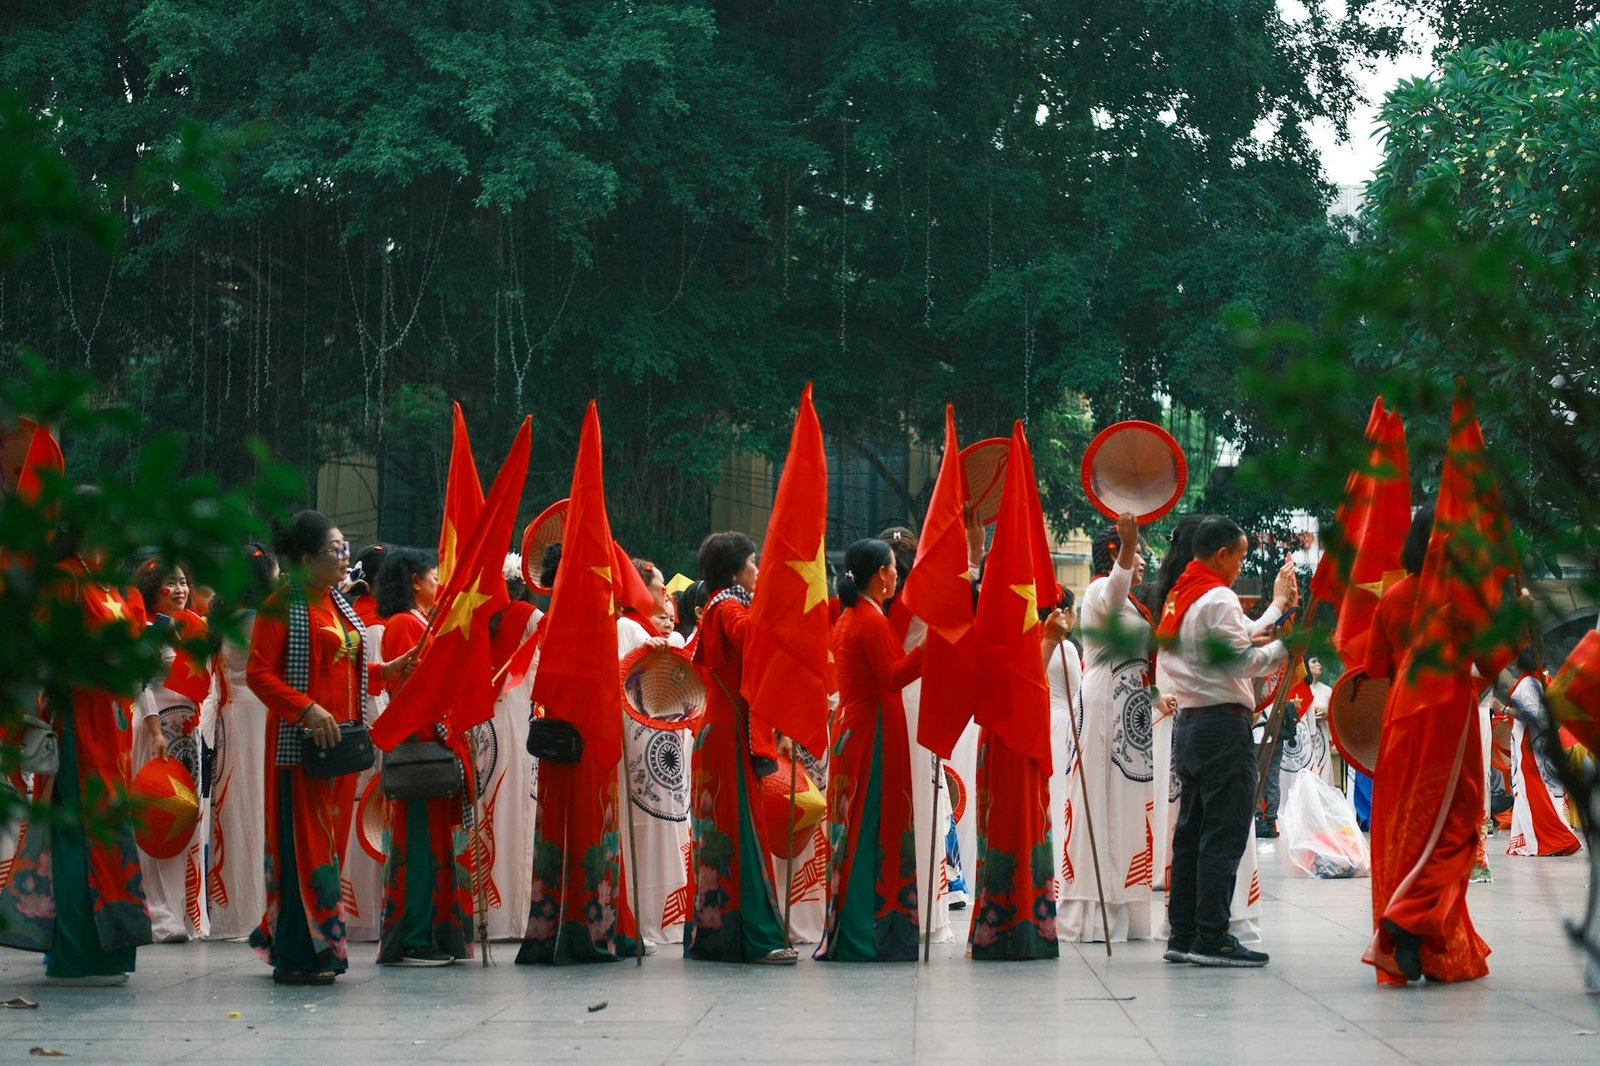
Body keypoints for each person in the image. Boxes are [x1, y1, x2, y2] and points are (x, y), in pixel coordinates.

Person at [246, 510, 416, 985]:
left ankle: (321, 947)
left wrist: (389, 670)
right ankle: (302, 951)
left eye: (345, 548)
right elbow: (259, 674)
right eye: (334, 551)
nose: (345, 558)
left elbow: (351, 673)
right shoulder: (280, 607)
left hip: (341, 748)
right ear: (304, 559)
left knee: (330, 847)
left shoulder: (337, 605)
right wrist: (305, 709)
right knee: (306, 847)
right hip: (301, 747)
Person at [0, 522, 154, 984]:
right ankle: (75, 954)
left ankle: (107, 953)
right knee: (76, 835)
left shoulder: (112, 584)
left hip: (112, 726)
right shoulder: (62, 579)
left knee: (107, 834)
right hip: (75, 722)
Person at [1363, 504, 1499, 983]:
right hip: (1446, 713)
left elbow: (1375, 667)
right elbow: (1492, 660)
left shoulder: (1394, 595)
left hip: (1401, 715)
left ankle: (1414, 937)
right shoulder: (1461, 600)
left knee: (1408, 827)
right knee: (1458, 823)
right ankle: (1406, 921)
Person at [1157, 515, 1295, 968]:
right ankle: (1212, 935)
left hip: (1193, 725)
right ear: (1221, 554)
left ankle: (1184, 932)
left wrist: (1275, 611)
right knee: (1223, 832)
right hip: (1221, 726)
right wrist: (1285, 649)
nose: (1240, 567)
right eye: (1238, 557)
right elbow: (1241, 660)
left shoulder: (1184, 595)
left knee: (1192, 832)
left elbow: (1235, 636)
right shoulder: (1216, 596)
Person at [683, 532, 795, 964]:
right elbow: (753, 638)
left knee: (723, 836)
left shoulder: (717, 604)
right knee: (741, 834)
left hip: (721, 732)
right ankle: (753, 937)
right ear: (734, 571)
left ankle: (719, 933)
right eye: (753, 564)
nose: (757, 571)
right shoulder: (729, 605)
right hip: (727, 737)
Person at [816, 538, 925, 961]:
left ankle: (853, 929)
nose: (898, 574)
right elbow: (894, 675)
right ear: (881, 574)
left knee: (853, 828)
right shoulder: (870, 620)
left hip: (853, 729)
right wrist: (930, 650)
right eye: (895, 567)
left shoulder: (849, 616)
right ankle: (870, 931)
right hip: (874, 734)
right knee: (871, 826)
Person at [1060, 512, 1155, 943]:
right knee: (1099, 800)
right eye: (1138, 555)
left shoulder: (1134, 603)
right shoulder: (1101, 589)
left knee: (1126, 805)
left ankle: (1124, 908)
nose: (1143, 564)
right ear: (1117, 552)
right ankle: (1092, 912)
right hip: (1102, 708)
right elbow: (1117, 591)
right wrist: (1129, 546)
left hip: (1129, 711)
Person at [374, 547, 470, 966]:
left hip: (430, 741)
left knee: (430, 844)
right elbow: (413, 692)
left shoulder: (419, 622)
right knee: (416, 845)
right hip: (418, 747)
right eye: (433, 577)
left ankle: (432, 931)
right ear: (415, 581)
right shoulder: (402, 625)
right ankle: (413, 937)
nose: (438, 584)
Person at [201, 542, 279, 940]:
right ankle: (255, 908)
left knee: (233, 809)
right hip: (260, 713)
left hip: (232, 717)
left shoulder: (225, 617)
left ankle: (233, 907)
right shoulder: (260, 618)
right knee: (258, 808)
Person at [131, 559, 209, 942]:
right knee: (155, 818)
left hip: (188, 733)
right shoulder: (145, 631)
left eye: (183, 582)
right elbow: (139, 682)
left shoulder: (193, 630)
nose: (179, 589)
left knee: (186, 818)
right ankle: (157, 916)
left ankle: (186, 914)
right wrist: (153, 729)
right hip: (155, 730)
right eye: (169, 583)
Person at [618, 556, 690, 948]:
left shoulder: (658, 632)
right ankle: (649, 917)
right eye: (657, 584)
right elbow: (618, 679)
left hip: (665, 745)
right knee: (646, 830)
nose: (664, 593)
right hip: (641, 745)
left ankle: (673, 916)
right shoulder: (626, 626)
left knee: (671, 824)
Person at [1148, 515, 1203, 891]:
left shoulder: (1155, 591)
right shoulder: (1199, 593)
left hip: (1162, 685)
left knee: (1165, 777)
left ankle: (1157, 864)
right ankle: (1174, 863)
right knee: (1183, 780)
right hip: (1180, 687)